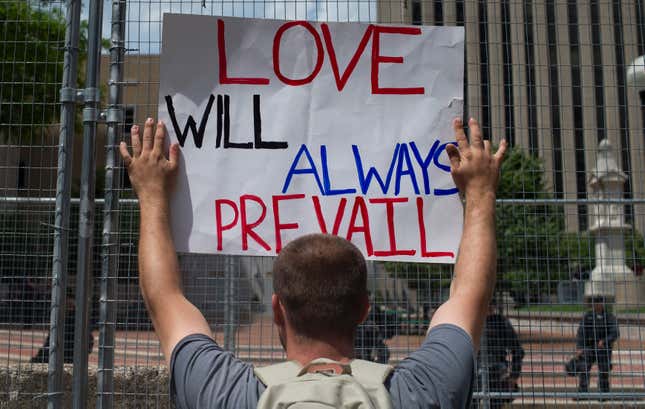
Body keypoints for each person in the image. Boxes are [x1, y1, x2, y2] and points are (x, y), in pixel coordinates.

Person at [118, 117, 507, 408]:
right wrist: (480, 193)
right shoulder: (420, 393)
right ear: (363, 310)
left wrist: (152, 195)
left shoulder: (228, 394)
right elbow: (469, 295)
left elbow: (164, 297)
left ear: (277, 309)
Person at [475, 299, 524, 409]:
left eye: (490, 305)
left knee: (495, 403)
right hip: (475, 370)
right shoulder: (472, 320)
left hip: (496, 371)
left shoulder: (501, 322)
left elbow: (518, 351)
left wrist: (513, 376)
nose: (488, 308)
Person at [575, 296, 619, 395]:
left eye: (598, 303)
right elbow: (581, 332)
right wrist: (579, 347)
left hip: (603, 348)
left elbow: (615, 332)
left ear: (602, 304)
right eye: (594, 303)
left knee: (604, 371)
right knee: (584, 368)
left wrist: (605, 341)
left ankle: (603, 393)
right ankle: (582, 392)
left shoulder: (609, 317)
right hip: (589, 347)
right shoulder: (588, 316)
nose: (596, 305)